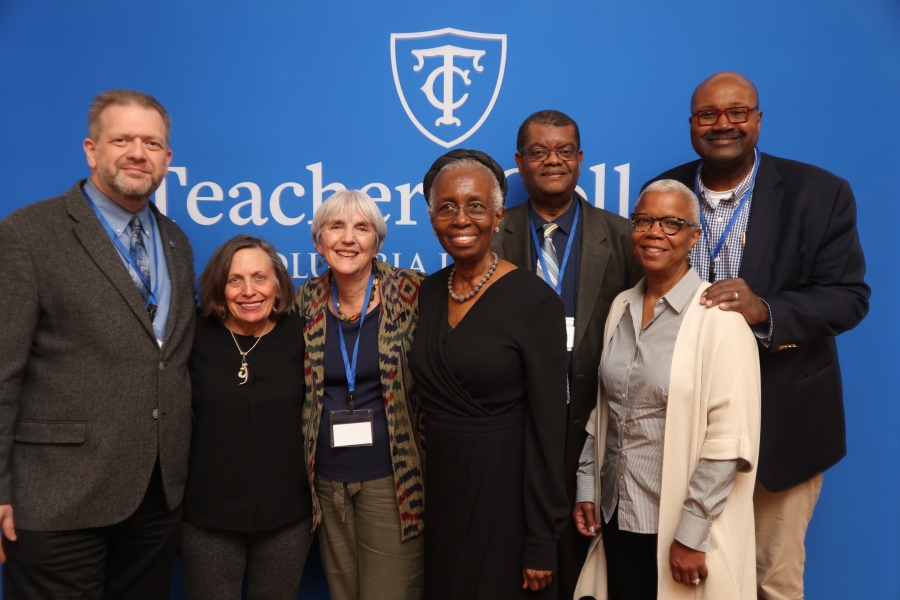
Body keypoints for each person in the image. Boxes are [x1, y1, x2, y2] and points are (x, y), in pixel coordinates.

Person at [645, 71, 870, 600]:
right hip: (685, 429)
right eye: (708, 115)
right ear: (691, 125)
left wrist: (765, 309)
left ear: (758, 119)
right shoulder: (666, 192)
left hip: (782, 426)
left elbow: (848, 297)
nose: (722, 124)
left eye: (737, 112)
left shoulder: (820, 193)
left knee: (772, 581)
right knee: (683, 582)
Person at [0, 90, 196, 597]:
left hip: (156, 497)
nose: (138, 152)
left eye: (152, 142)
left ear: (167, 159)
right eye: (122, 139)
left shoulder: (175, 241)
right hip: (57, 497)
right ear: (91, 150)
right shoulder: (30, 233)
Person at [573, 180, 761, 599]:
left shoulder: (720, 320)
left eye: (672, 223)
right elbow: (603, 409)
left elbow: (728, 442)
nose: (654, 232)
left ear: (695, 236)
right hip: (617, 516)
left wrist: (692, 534)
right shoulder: (620, 307)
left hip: (674, 526)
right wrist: (588, 486)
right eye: (643, 220)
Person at [491, 110, 642, 600]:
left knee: (589, 573)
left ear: (580, 159)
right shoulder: (493, 236)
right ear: (519, 163)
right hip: (515, 427)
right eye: (538, 152)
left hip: (594, 430)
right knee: (519, 568)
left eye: (563, 151)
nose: (551, 160)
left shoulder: (622, 237)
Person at [411, 149, 569, 599]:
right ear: (432, 218)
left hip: (506, 503)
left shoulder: (536, 303)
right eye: (447, 207)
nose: (461, 219)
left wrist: (541, 538)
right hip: (441, 499)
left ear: (498, 216)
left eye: (476, 206)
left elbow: (547, 430)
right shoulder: (424, 294)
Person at [294, 190, 425, 600]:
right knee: (343, 592)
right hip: (327, 481)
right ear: (319, 242)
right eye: (336, 227)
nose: (348, 238)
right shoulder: (306, 301)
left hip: (393, 480)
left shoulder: (413, 294)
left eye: (361, 228)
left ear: (376, 242)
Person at [179, 235, 313, 599]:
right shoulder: (191, 335)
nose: (249, 290)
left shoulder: (303, 335)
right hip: (208, 517)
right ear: (218, 287)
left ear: (278, 285)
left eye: (260, 277)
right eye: (234, 279)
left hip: (286, 515)